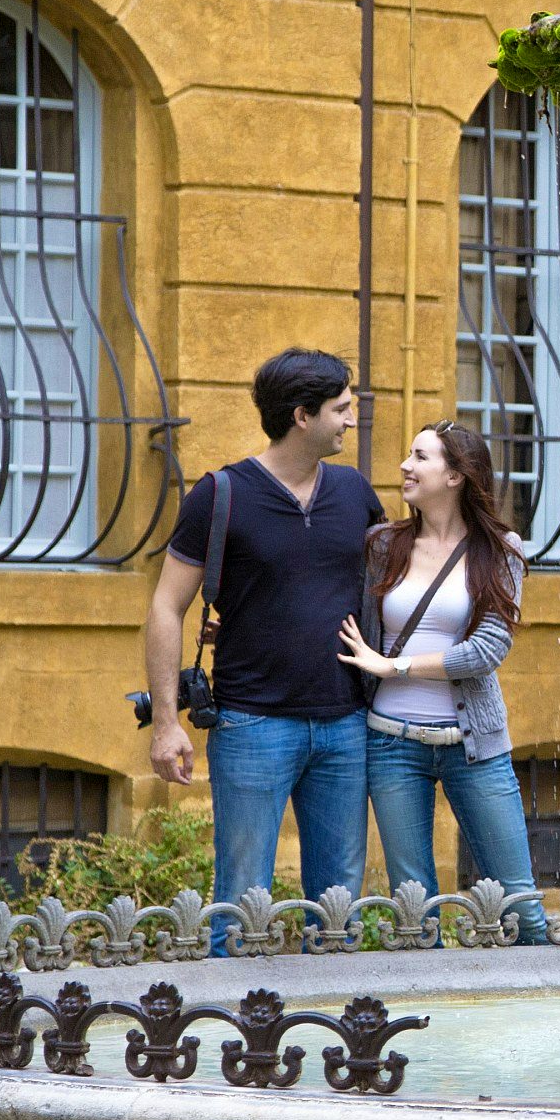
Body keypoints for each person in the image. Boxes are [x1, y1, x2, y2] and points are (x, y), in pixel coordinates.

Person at [145, 349, 385, 934]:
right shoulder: (221, 493)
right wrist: (166, 723)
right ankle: (233, 1023)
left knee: (338, 911)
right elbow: (166, 605)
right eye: (342, 409)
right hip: (252, 724)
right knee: (239, 903)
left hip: (346, 723)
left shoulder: (356, 493)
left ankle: (337, 1022)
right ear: (303, 416)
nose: (351, 420)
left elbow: (392, 586)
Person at [338, 421, 541, 938]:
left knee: (521, 902)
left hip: (474, 746)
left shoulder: (501, 549)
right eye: (409, 454)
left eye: (420, 457)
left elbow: (488, 649)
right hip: (391, 746)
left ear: (455, 475)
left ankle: (545, 1014)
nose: (405, 466)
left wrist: (395, 666)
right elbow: (334, 608)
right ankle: (432, 1020)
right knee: (414, 910)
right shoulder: (383, 545)